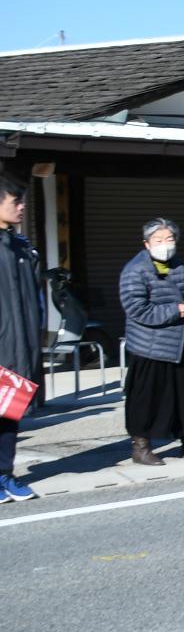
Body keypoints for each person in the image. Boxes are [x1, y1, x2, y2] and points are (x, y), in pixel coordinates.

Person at [118, 219, 184, 464]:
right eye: (159, 240)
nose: (165, 245)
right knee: (145, 400)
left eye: (170, 239)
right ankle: (141, 448)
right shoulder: (135, 269)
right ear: (146, 243)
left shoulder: (182, 266)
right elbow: (136, 309)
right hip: (148, 347)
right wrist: (177, 310)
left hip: (178, 346)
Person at [0, 173, 44, 500]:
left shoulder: (20, 245)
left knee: (10, 417)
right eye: (16, 201)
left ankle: (6, 475)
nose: (22, 206)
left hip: (20, 347)